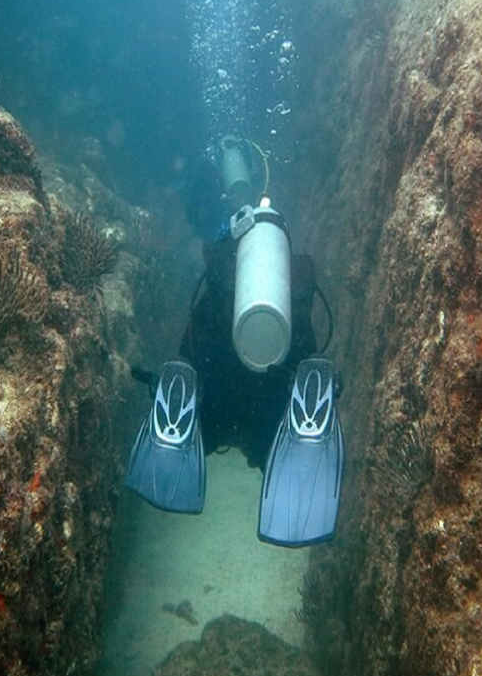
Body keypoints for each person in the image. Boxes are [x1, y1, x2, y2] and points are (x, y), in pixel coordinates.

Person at [125, 137, 344, 547]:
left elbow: (193, 338)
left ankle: (180, 396)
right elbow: (306, 342)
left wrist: (179, 372)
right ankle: (310, 405)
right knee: (282, 431)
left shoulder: (223, 275)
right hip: (271, 401)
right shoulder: (289, 286)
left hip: (218, 397)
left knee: (198, 398)